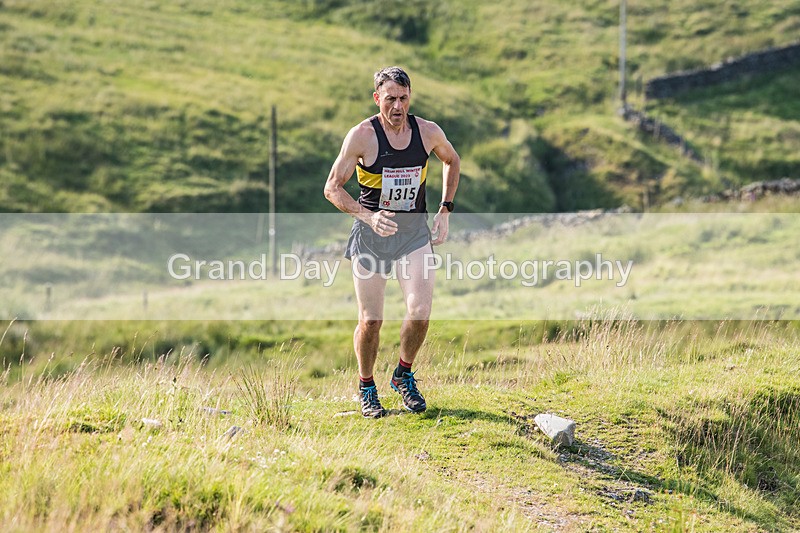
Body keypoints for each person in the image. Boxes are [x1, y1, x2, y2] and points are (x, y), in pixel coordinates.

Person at [323, 66, 460, 418]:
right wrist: (367, 216)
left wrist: (445, 209)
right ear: (377, 99)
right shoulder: (362, 136)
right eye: (390, 99)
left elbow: (452, 160)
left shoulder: (427, 132)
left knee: (420, 312)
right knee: (371, 320)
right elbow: (332, 188)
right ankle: (367, 386)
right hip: (371, 237)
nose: (397, 106)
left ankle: (403, 374)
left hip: (413, 234)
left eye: (403, 98)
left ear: (409, 97)